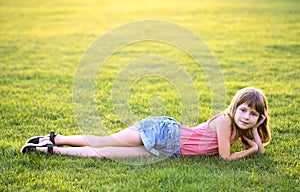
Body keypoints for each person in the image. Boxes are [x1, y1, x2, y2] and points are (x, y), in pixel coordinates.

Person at [21, 87, 271, 161]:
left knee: (107, 154)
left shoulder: (241, 129)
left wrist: (255, 132)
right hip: (164, 132)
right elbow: (226, 159)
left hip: (170, 150)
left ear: (260, 118)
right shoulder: (226, 123)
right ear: (234, 108)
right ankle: (57, 138)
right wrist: (248, 149)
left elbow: (260, 149)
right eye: (244, 110)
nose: (246, 117)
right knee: (106, 141)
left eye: (253, 115)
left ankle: (49, 149)